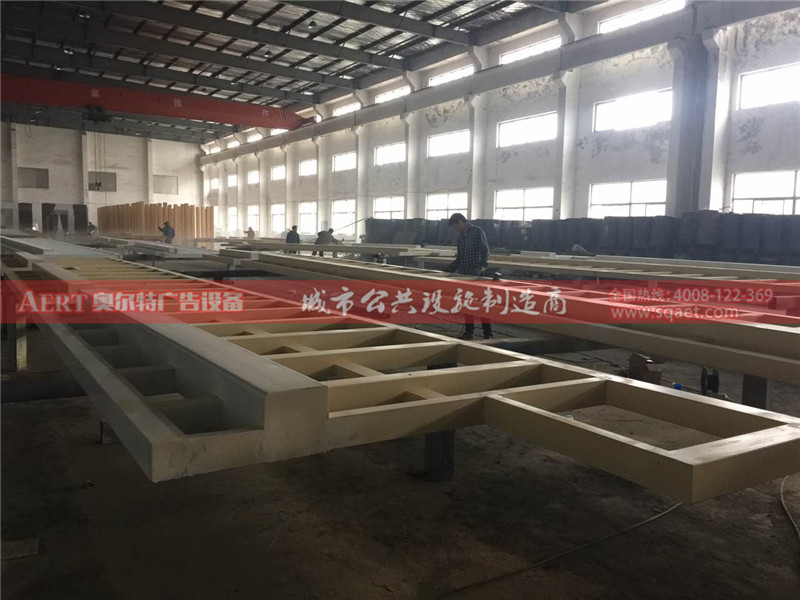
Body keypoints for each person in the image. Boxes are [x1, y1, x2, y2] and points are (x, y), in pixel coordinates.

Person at [444, 213, 492, 340]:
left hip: (476, 275)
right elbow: (459, 258)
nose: (455, 229)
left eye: (454, 226)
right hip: (464, 274)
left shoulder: (477, 231)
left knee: (481, 304)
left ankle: (487, 333)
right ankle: (469, 331)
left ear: (460, 222)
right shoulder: (460, 237)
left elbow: (485, 250)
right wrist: (447, 270)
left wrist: (481, 267)